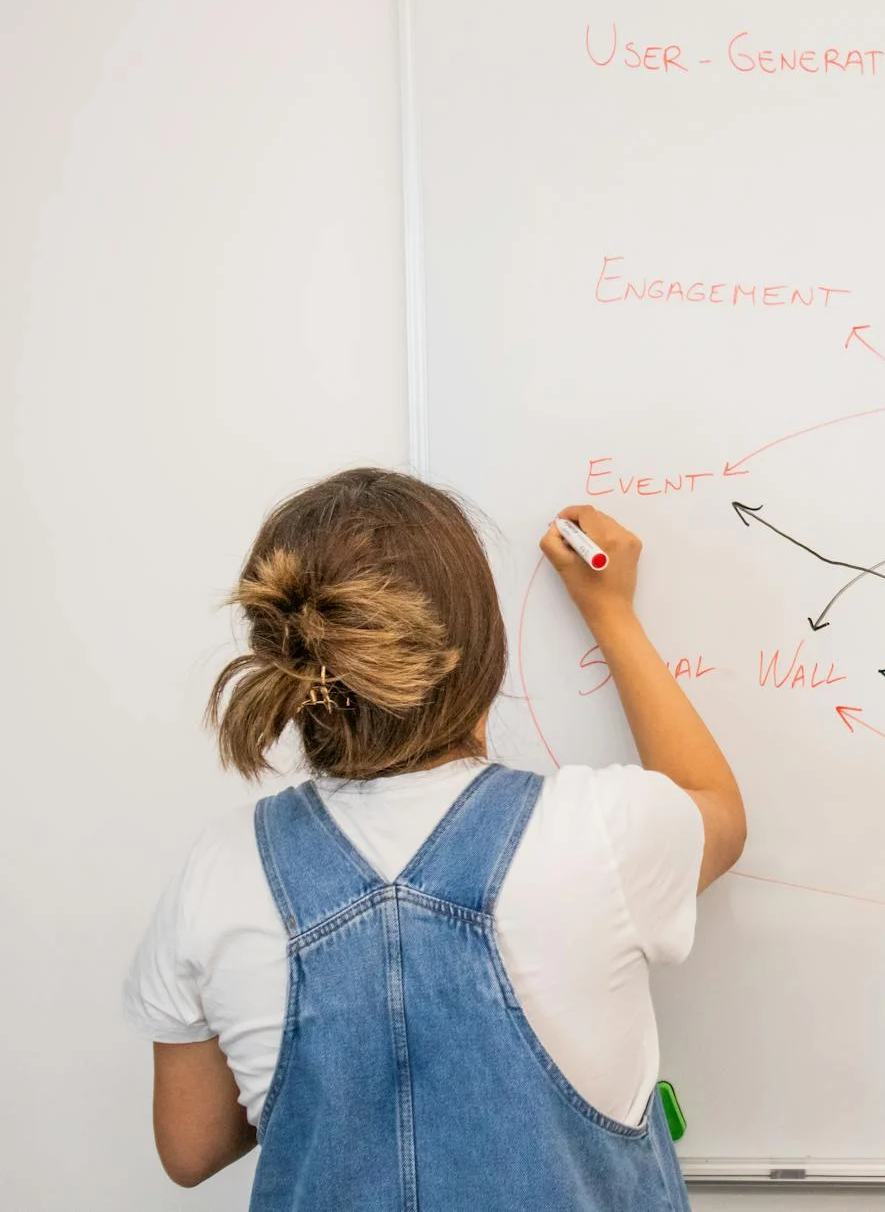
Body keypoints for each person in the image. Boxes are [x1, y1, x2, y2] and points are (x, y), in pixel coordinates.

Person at [121, 469, 744, 1210]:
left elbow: (190, 1148)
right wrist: (612, 614)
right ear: (483, 652)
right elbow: (718, 811)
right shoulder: (597, 833)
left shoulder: (218, 871)